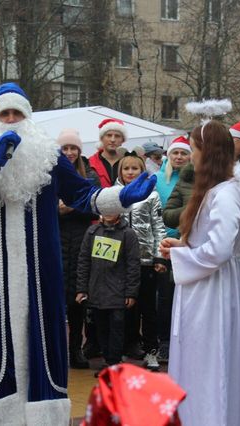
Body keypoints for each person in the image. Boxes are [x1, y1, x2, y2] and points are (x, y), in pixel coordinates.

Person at [0, 82, 156, 425]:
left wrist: (121, 197)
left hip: (40, 268)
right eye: (5, 113)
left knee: (43, 337)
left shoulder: (48, 154)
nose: (11, 119)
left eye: (18, 113)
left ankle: (41, 414)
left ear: (28, 117)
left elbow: (83, 195)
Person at [159, 121, 240, 425]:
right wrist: (184, 244)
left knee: (208, 364)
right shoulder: (223, 189)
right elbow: (217, 243)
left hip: (210, 290)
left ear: (208, 153)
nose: (190, 156)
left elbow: (219, 251)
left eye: (193, 149)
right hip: (209, 283)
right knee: (201, 361)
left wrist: (182, 254)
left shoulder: (226, 193)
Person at [115, 154, 167, 371]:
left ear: (142, 171)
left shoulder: (151, 195)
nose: (130, 172)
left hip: (145, 261)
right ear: (120, 171)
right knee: (124, 309)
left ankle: (151, 350)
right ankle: (124, 348)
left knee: (148, 309)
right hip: (120, 263)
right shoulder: (113, 194)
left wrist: (159, 256)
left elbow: (158, 227)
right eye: (126, 168)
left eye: (134, 168)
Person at [75, 213, 140, 376]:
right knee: (101, 328)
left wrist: (131, 292)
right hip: (96, 291)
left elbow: (133, 265)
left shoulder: (128, 234)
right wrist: (82, 289)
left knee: (117, 328)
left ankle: (114, 362)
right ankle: (108, 361)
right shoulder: (92, 232)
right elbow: (84, 261)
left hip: (118, 292)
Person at [56, 129, 99, 369]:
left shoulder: (89, 176)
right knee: (57, 298)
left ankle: (75, 349)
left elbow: (96, 207)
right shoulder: (50, 174)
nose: (70, 152)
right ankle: (56, 349)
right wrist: (57, 210)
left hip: (82, 242)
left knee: (78, 298)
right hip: (57, 240)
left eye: (74, 148)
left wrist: (73, 207)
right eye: (65, 148)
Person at [154, 135, 191, 363]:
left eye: (183, 153)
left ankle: (184, 341)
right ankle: (165, 342)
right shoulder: (157, 179)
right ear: (168, 156)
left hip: (187, 244)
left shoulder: (195, 180)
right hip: (164, 245)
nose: (179, 157)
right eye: (175, 153)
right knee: (165, 296)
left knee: (186, 296)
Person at [88, 118, 127, 187]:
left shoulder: (129, 162)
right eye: (109, 135)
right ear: (101, 138)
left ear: (122, 140)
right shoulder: (89, 163)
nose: (112, 140)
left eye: (117, 136)